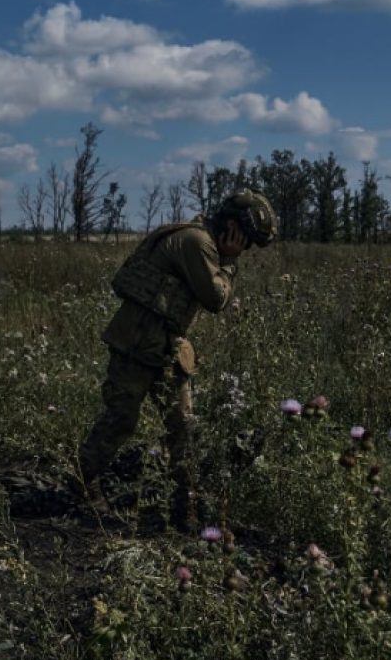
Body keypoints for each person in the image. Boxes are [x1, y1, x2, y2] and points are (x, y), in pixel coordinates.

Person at [78, 188, 276, 530]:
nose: (246, 249)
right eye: (248, 240)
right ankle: (83, 483)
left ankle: (184, 505)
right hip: (136, 346)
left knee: (182, 427)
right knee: (121, 419)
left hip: (168, 349)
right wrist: (228, 263)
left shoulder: (205, 243)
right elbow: (216, 298)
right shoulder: (196, 243)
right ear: (234, 226)